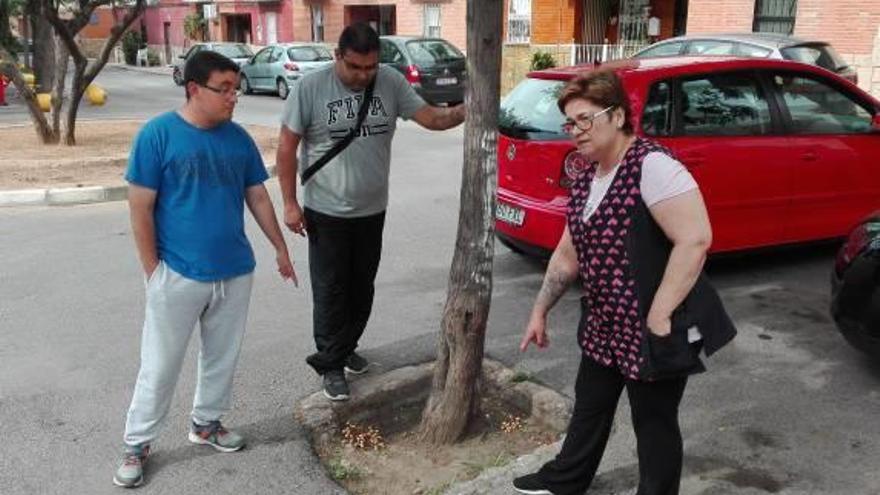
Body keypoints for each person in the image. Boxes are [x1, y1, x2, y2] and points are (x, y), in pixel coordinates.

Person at [513, 70, 736, 495]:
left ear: (616, 116)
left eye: (584, 120)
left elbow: (695, 239)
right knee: (590, 407)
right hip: (605, 323)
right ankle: (566, 479)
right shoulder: (586, 178)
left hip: (657, 327)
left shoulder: (652, 166)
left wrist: (659, 314)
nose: (575, 132)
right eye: (570, 123)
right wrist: (540, 310)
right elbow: (566, 253)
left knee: (653, 425)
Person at [113, 50, 297, 488]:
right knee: (159, 365)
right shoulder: (157, 135)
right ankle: (137, 443)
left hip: (234, 270)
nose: (235, 96)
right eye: (225, 89)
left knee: (221, 357)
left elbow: (256, 196)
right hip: (176, 273)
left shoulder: (238, 139)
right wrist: (153, 271)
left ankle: (206, 423)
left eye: (236, 88)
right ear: (194, 88)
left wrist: (279, 248)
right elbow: (140, 208)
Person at [276, 22, 465, 401]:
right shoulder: (311, 88)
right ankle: (330, 363)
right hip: (326, 211)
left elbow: (433, 119)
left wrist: (471, 108)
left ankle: (345, 347)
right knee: (331, 288)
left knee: (362, 286)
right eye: (355, 67)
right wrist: (290, 203)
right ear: (338, 57)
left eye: (371, 68)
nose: (364, 76)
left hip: (371, 209)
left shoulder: (390, 82)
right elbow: (286, 148)